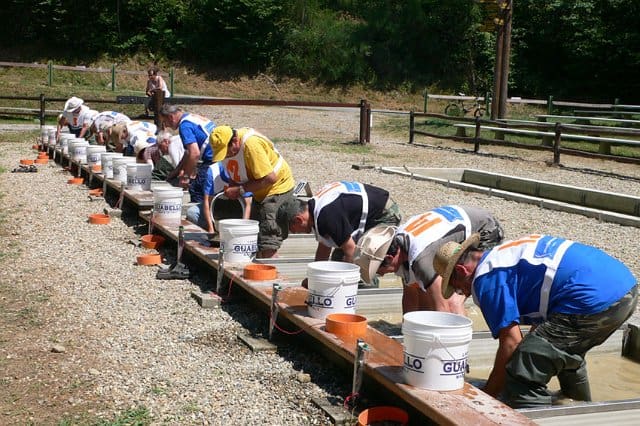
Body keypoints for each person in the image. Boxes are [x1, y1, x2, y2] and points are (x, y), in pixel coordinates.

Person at [433, 233, 638, 408]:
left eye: (457, 287)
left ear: (462, 271)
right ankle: (578, 407)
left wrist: (487, 396)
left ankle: (536, 418)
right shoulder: (503, 256)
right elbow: (540, 330)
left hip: (593, 298)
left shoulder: (486, 278)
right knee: (560, 353)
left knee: (523, 368)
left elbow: (512, 343)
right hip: (625, 289)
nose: (462, 293)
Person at [353, 205, 503, 314]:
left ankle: (459, 350)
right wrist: (408, 333)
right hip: (460, 223)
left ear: (390, 257)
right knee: (421, 289)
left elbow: (442, 308)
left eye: (379, 270)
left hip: (485, 230)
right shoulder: (399, 244)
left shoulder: (422, 260)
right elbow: (411, 294)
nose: (381, 275)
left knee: (453, 301)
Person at [209, 125, 295, 258]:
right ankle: (256, 261)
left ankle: (268, 267)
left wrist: (240, 190)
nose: (225, 155)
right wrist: (232, 187)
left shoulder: (251, 145)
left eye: (226, 152)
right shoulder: (229, 148)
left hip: (277, 187)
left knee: (268, 231)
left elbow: (270, 178)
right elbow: (235, 172)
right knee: (253, 231)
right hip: (259, 189)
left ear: (235, 140)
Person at [277, 181, 402, 264]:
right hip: (367, 210)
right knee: (338, 259)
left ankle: (363, 294)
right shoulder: (315, 209)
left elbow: (351, 252)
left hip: (384, 214)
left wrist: (342, 280)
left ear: (299, 219)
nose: (295, 233)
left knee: (364, 260)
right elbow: (324, 247)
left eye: (292, 230)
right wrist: (313, 278)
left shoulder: (328, 216)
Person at [159, 104, 215, 203]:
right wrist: (176, 172)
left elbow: (194, 154)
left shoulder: (184, 126)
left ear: (171, 117)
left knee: (196, 188)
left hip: (212, 158)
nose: (166, 126)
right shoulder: (191, 117)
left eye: (165, 122)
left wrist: (186, 177)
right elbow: (187, 153)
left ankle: (199, 214)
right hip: (219, 153)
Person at [185, 161, 252, 234]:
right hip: (216, 206)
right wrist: (211, 229)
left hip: (239, 208)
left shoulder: (242, 170)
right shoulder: (213, 171)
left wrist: (243, 231)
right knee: (192, 213)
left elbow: (248, 204)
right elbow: (207, 202)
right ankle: (216, 229)